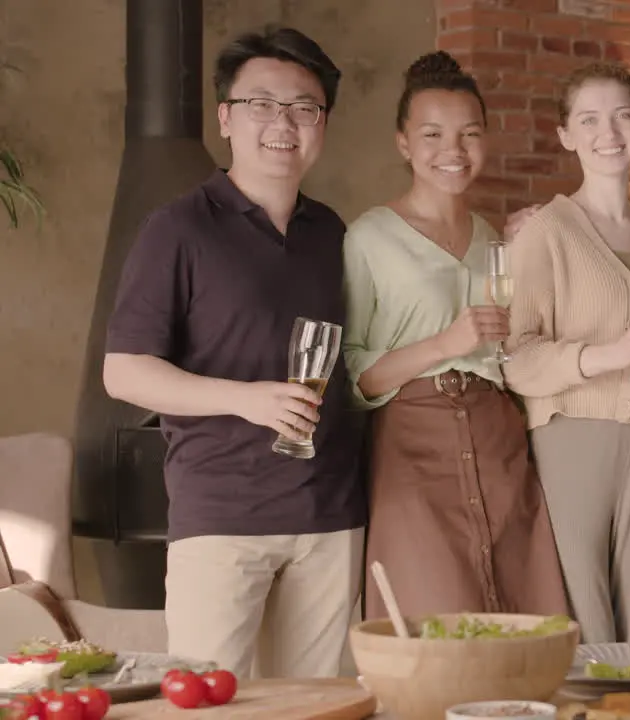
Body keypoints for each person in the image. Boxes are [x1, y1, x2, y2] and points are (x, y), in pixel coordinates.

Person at [102, 26, 364, 678]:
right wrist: (246, 399)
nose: (284, 122)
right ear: (225, 117)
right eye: (262, 104)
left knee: (317, 708)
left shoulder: (333, 232)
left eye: (305, 107)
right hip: (221, 517)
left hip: (330, 515)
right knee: (211, 702)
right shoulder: (178, 228)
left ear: (322, 124)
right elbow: (123, 371)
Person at [341, 51, 568, 622]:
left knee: (521, 608)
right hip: (410, 445)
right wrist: (444, 343)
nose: (454, 150)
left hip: (497, 436)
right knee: (431, 615)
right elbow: (351, 375)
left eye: (469, 134)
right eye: (433, 134)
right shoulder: (368, 237)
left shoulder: (493, 238)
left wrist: (528, 248)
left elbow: (515, 341)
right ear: (403, 143)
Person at [503, 62, 630, 645]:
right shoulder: (546, 231)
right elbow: (516, 356)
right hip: (570, 437)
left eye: (622, 116)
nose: (608, 132)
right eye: (589, 119)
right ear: (566, 136)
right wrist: (604, 356)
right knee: (582, 614)